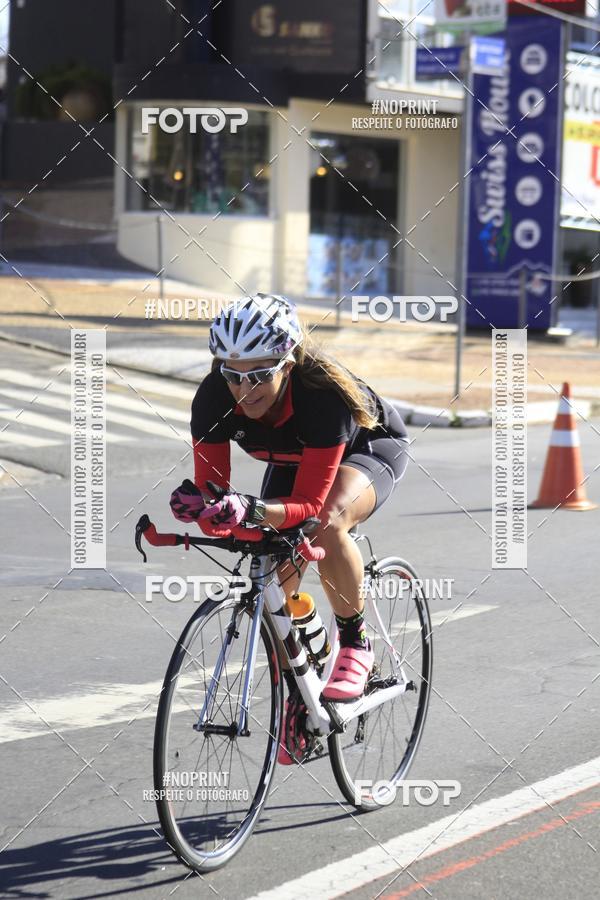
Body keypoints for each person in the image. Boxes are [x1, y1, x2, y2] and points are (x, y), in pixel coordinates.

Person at [169, 294, 410, 760]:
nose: (245, 388)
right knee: (269, 584)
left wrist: (252, 510)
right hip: (293, 459)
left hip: (366, 450)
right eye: (233, 374)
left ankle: (356, 643)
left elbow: (307, 505)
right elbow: (218, 498)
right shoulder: (213, 398)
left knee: (325, 524)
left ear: (288, 362)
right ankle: (302, 689)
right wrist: (206, 509)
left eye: (260, 374)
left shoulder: (322, 397)